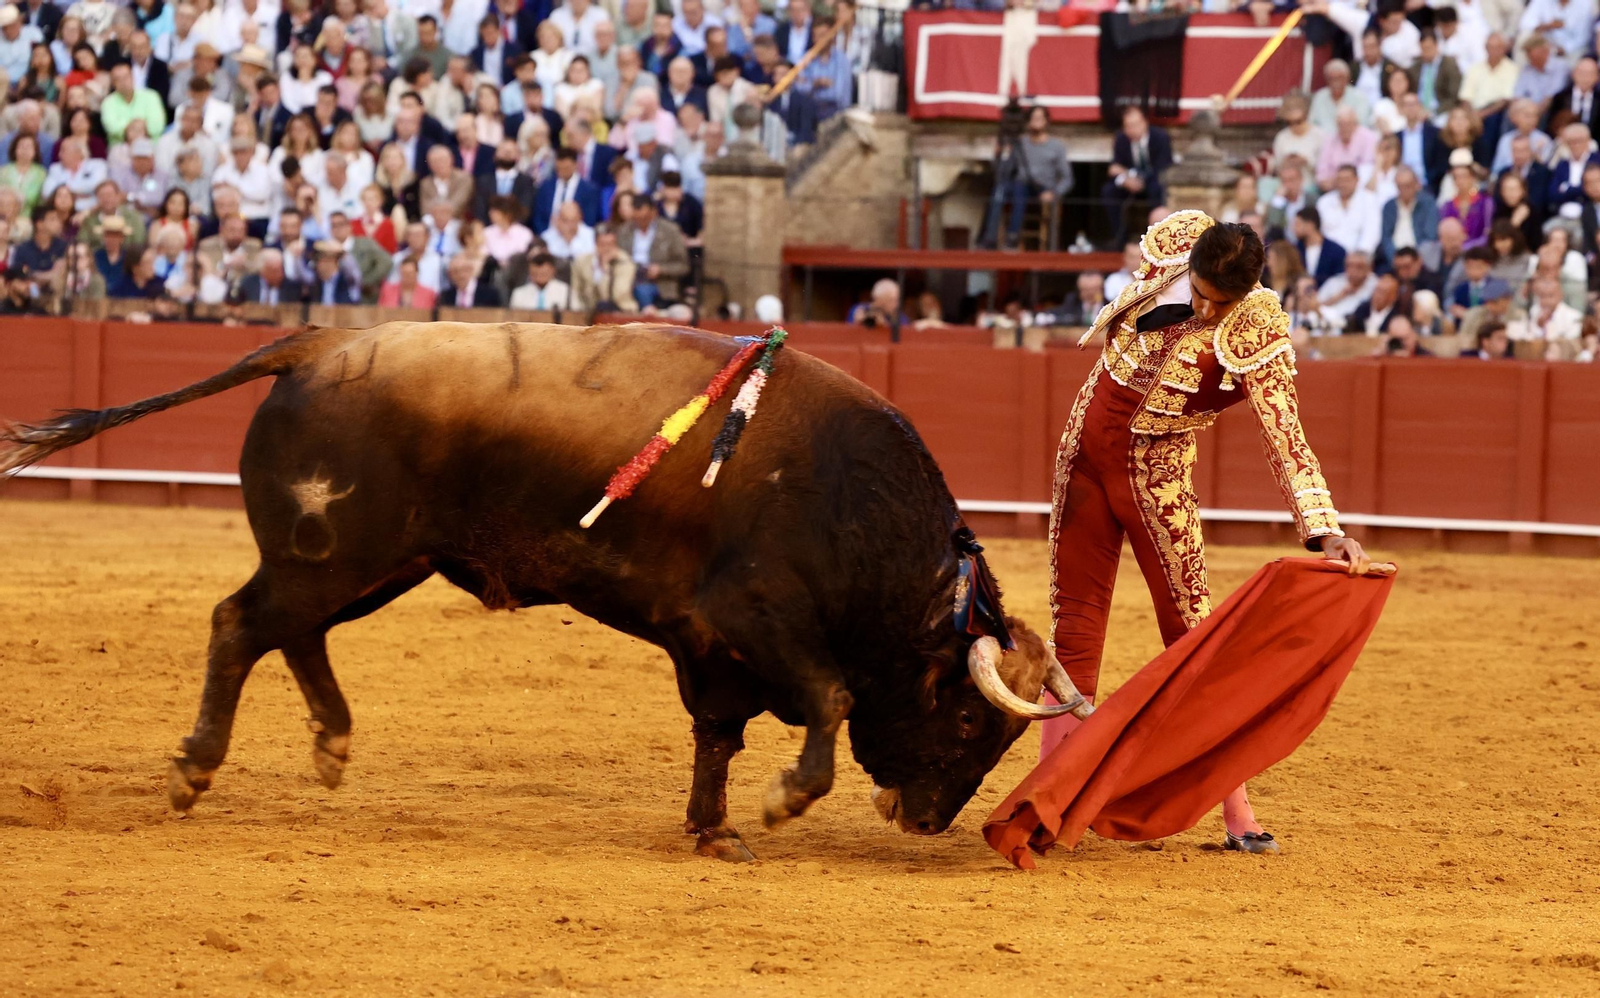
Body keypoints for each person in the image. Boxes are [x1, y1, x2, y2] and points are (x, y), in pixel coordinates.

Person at [1041, 211, 1367, 854]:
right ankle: (1048, 797)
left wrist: (1323, 527)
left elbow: (1285, 433)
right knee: (1073, 625)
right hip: (1083, 452)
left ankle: (1237, 813)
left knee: (1193, 634)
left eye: (1220, 303)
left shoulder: (1257, 329)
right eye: (1199, 293)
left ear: (1245, 295)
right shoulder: (1175, 246)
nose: (1205, 310)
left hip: (1156, 473)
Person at [981, 105, 1072, 251]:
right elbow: (1000, 170)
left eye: (1039, 119)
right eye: (1033, 118)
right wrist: (999, 153)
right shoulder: (1019, 142)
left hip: (1042, 188)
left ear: (1046, 121)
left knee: (1018, 188)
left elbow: (1068, 179)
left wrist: (1054, 193)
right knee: (1001, 189)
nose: (1036, 122)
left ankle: (1013, 237)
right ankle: (991, 238)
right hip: (1020, 186)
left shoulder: (1056, 146)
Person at [1102, 106, 1170, 247]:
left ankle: (1156, 238)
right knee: (1109, 191)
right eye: (1127, 126)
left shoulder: (1160, 137)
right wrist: (1126, 179)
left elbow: (1162, 168)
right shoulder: (1121, 139)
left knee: (1157, 189)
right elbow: (1114, 169)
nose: (1131, 130)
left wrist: (1136, 177)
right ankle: (1120, 239)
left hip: (1152, 182)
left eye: (1134, 125)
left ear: (1144, 123)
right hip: (1129, 184)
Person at [568, 225, 636, 313]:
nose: (607, 249)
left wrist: (605, 270)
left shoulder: (625, 263)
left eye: (610, 244)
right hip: (588, 313)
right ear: (595, 244)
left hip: (621, 312)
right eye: (602, 244)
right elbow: (575, 292)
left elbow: (616, 296)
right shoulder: (581, 262)